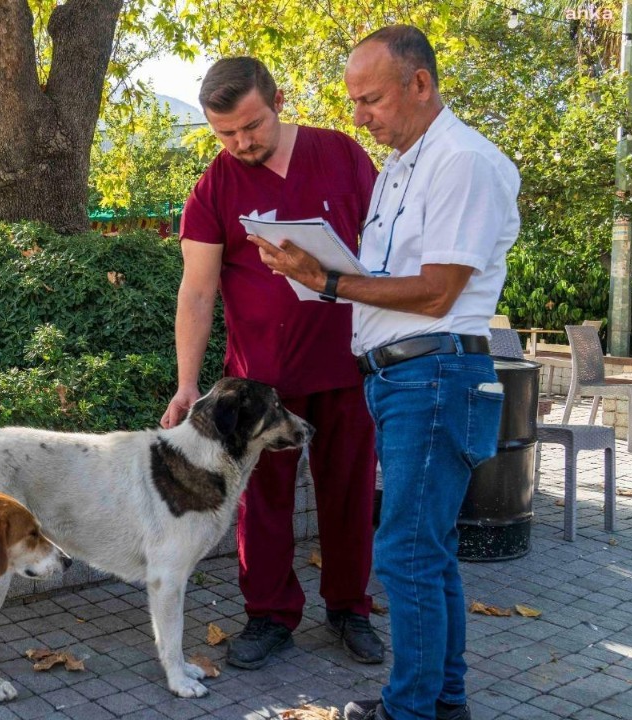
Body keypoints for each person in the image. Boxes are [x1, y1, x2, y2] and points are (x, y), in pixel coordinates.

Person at [249, 26, 520, 720]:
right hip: (404, 379)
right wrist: (321, 271)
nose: (360, 116)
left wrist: (328, 281)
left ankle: (408, 711)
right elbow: (394, 277)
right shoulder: (403, 166)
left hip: (434, 378)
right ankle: (441, 705)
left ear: (420, 85)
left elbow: (436, 291)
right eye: (353, 102)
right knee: (426, 555)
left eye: (370, 99)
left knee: (402, 555)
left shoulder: (460, 161)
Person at [160, 57, 383, 671]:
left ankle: (350, 610)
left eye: (251, 126)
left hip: (347, 364)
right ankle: (268, 616)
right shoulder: (214, 187)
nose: (241, 143)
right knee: (260, 503)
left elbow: (387, 246)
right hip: (259, 385)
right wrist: (187, 384)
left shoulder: (341, 154)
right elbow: (197, 293)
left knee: (349, 493)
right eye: (225, 134)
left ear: (277, 99)